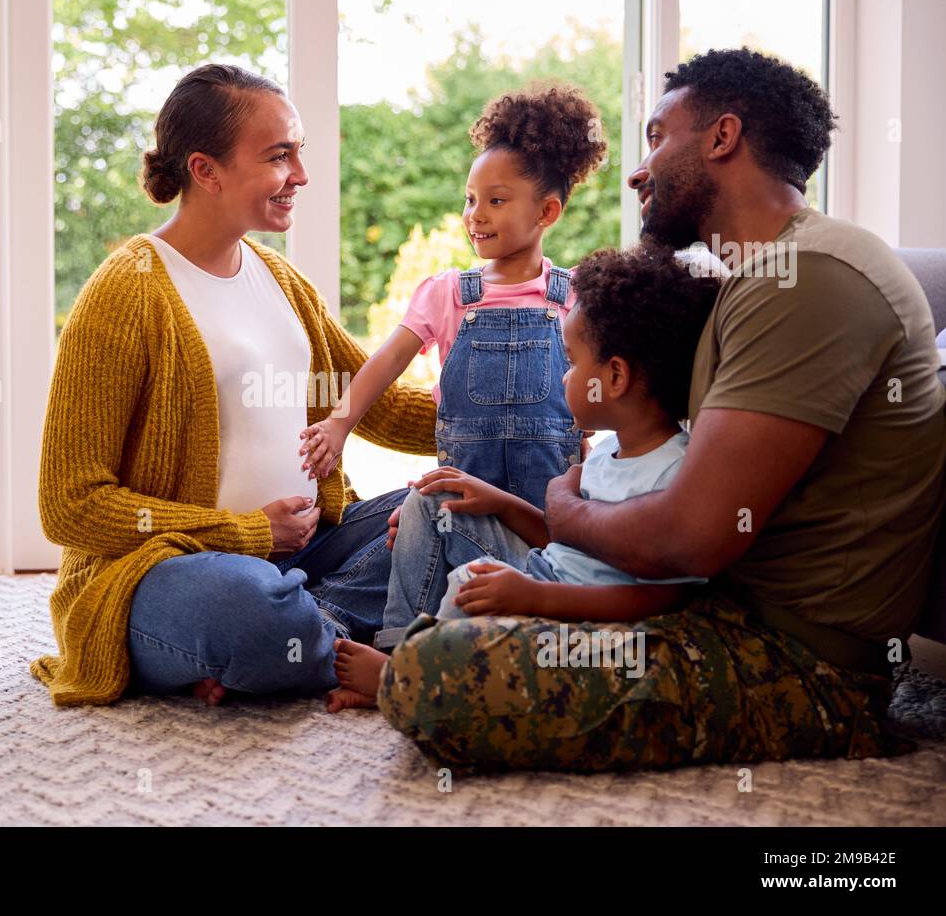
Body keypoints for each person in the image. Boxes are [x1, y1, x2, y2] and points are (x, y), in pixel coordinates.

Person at [377, 48, 946, 771]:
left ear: (722, 137)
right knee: (443, 564)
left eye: (655, 137)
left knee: (436, 673)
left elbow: (688, 539)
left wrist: (562, 503)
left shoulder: (810, 277)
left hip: (797, 662)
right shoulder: (759, 277)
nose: (637, 170)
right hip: (716, 608)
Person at [30, 64, 435, 707]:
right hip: (165, 571)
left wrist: (513, 415)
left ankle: (294, 639)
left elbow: (369, 399)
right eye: (280, 156)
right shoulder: (126, 292)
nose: (300, 174)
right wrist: (245, 532)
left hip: (312, 551)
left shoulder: (281, 281)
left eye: (299, 152)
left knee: (443, 515)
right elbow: (69, 504)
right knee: (248, 607)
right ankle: (330, 642)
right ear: (205, 170)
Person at [327, 242, 721, 710]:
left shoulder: (674, 472)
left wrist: (536, 596)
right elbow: (568, 537)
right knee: (437, 498)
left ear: (614, 378)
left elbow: (660, 600)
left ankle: (408, 679)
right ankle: (396, 650)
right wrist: (498, 501)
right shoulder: (609, 450)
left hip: (578, 618)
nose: (562, 378)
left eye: (572, 364)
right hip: (545, 573)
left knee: (473, 585)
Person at [299, 83, 609, 514]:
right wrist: (339, 423)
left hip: (550, 514)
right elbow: (386, 361)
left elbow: (605, 382)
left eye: (496, 200)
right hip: (460, 511)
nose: (475, 214)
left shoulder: (575, 295)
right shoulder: (446, 294)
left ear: (547, 212)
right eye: (470, 199)